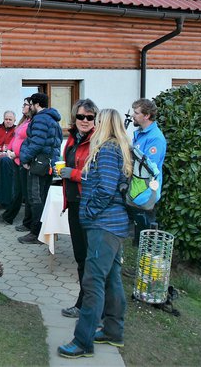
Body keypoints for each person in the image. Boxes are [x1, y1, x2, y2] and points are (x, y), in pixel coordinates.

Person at [58, 108, 132, 359]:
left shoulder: (109, 150)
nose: (92, 124)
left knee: (92, 282)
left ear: (105, 124)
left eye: (96, 120)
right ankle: (113, 331)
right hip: (110, 224)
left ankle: (83, 341)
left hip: (105, 225)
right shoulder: (115, 148)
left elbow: (106, 189)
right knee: (112, 278)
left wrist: (88, 212)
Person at [57, 98, 98, 318]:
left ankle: (90, 306)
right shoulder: (73, 138)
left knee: (90, 259)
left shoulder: (97, 141)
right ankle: (84, 304)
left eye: (89, 117)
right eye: (81, 116)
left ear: (95, 119)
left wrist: (71, 174)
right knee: (80, 257)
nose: (84, 120)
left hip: (89, 205)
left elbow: (97, 176)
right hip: (74, 203)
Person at [18, 92, 63, 245]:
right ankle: (41, 230)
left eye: (30, 104)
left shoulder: (41, 119)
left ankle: (37, 233)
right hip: (48, 163)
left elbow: (36, 143)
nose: (29, 107)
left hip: (39, 164)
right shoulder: (51, 119)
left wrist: (24, 158)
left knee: (36, 198)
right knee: (42, 197)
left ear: (36, 104)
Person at [130, 98, 167, 245]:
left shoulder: (155, 138)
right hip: (138, 191)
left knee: (146, 237)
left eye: (136, 113)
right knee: (139, 235)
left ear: (146, 116)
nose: (133, 115)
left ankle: (148, 263)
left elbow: (148, 168)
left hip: (146, 193)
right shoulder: (140, 133)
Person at [0, 98, 32, 228]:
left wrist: (16, 153)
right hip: (15, 159)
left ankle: (22, 220)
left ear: (31, 106)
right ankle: (9, 215)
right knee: (18, 191)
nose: (23, 106)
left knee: (23, 193)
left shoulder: (33, 122)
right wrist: (9, 150)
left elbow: (28, 142)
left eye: (25, 104)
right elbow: (17, 137)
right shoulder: (23, 121)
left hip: (22, 160)